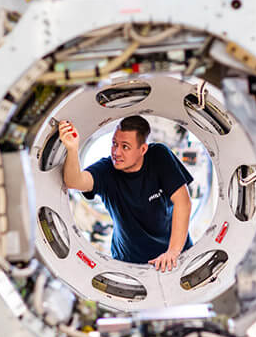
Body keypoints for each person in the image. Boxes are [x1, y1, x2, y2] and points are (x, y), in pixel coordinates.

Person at [59, 115, 193, 272]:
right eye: (114, 144)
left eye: (125, 147)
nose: (117, 152)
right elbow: (74, 181)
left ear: (143, 149)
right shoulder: (106, 170)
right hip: (129, 262)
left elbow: (183, 202)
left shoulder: (159, 156)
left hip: (175, 254)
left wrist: (173, 252)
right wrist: (72, 149)